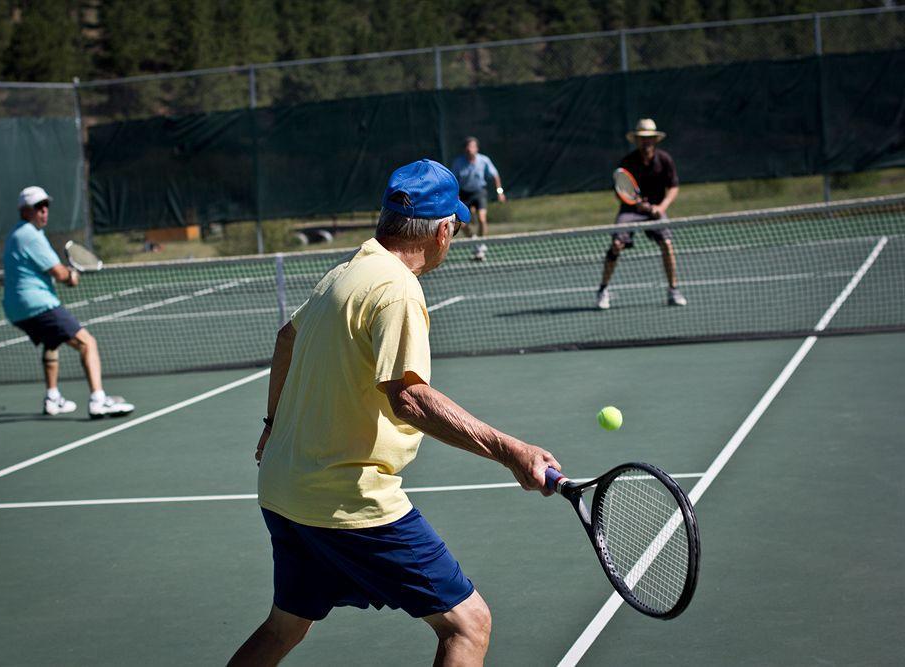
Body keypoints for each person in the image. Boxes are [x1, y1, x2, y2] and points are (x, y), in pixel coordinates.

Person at [229, 160, 560, 666]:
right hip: (346, 498)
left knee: (284, 627)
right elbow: (407, 396)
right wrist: (510, 450)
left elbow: (285, 339)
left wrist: (273, 426)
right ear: (443, 230)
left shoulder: (345, 271)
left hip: (284, 490)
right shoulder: (398, 288)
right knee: (468, 626)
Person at [2, 186, 134, 419]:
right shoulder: (31, 235)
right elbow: (61, 275)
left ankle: (53, 398)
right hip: (37, 303)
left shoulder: (15, 234)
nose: (44, 212)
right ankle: (98, 400)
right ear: (25, 211)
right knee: (87, 343)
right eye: (38, 208)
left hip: (15, 309)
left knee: (51, 342)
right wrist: (71, 276)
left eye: (46, 207)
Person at [596, 118, 687, 310]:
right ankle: (603, 290)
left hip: (656, 211)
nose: (646, 142)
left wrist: (661, 208)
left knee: (667, 244)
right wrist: (638, 204)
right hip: (630, 212)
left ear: (655, 140)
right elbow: (621, 192)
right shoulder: (628, 162)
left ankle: (673, 290)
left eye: (649, 138)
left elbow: (673, 187)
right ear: (636, 140)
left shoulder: (664, 160)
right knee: (616, 244)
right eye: (642, 138)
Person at [451, 137, 506, 262]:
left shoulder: (484, 160)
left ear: (476, 148)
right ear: (465, 149)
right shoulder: (458, 162)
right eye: (468, 147)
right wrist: (455, 195)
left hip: (479, 192)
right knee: (462, 224)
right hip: (464, 194)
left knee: (482, 218)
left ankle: (480, 244)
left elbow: (495, 175)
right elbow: (453, 180)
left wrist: (500, 192)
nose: (470, 149)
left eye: (472, 146)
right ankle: (475, 241)